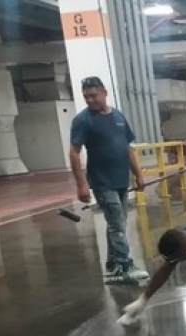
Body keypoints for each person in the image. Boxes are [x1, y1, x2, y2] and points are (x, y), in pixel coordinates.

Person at [69, 76, 149, 284]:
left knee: (117, 223)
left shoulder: (118, 116)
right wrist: (81, 184)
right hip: (102, 181)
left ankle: (113, 264)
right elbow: (74, 152)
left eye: (93, 95)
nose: (90, 100)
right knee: (116, 223)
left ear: (104, 92)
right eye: (86, 97)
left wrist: (138, 175)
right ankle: (124, 266)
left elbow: (128, 148)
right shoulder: (83, 120)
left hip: (121, 179)